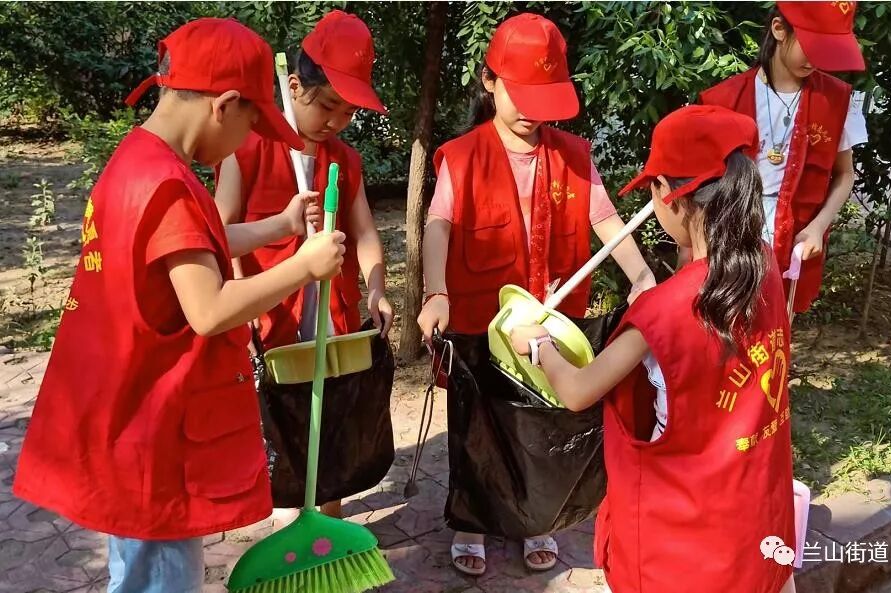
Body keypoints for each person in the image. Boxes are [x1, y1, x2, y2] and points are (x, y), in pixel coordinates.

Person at [13, 18, 346, 593]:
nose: (246, 141)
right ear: (225, 105)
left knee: (137, 571)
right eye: (251, 124)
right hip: (153, 435)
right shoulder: (169, 186)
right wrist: (304, 267)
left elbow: (193, 247)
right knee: (160, 579)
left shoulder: (137, 162)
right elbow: (209, 308)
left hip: (127, 419)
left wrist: (279, 226)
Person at [511, 105, 797, 593]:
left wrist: (537, 345)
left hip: (682, 547)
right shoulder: (764, 269)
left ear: (669, 194)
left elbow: (578, 391)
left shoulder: (661, 313)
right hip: (756, 522)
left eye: (653, 187)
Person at [416, 12, 656, 576]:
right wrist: (436, 291)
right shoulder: (462, 155)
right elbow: (438, 225)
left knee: (540, 424)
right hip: (479, 320)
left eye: (541, 98)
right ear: (489, 81)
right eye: (518, 94)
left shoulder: (573, 154)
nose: (529, 111)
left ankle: (535, 519)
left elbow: (606, 219)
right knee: (478, 423)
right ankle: (472, 522)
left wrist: (642, 277)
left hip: (550, 320)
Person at [215, 9, 391, 524]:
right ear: (293, 86)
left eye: (348, 113)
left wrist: (377, 289)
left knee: (333, 423)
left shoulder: (345, 161)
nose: (336, 121)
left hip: (332, 321)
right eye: (328, 105)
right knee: (284, 421)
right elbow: (219, 233)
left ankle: (329, 525)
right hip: (271, 320)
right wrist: (243, 301)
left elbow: (365, 234)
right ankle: (288, 514)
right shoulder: (246, 148)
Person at [698, 0, 867, 312]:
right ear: (778, 29)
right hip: (733, 229)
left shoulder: (836, 100)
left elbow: (845, 174)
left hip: (796, 234)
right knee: (725, 316)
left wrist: (819, 225)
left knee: (778, 322)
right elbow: (702, 185)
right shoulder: (724, 99)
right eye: (812, 46)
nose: (817, 59)